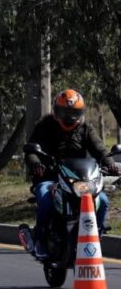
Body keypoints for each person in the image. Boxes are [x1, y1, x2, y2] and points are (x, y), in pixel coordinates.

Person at [24, 89, 119, 259]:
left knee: (103, 201)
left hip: (79, 181)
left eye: (74, 113)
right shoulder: (45, 126)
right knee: (45, 199)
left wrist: (110, 164)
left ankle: (96, 236)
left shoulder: (86, 129)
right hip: (50, 178)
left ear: (80, 113)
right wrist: (36, 164)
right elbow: (31, 151)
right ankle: (40, 240)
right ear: (56, 112)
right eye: (65, 112)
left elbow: (100, 150)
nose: (69, 117)